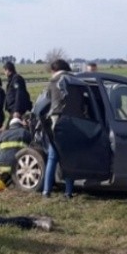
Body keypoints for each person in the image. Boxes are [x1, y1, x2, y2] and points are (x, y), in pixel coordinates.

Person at [42, 59, 75, 199]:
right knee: (69, 156)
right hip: (72, 120)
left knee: (52, 156)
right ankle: (68, 192)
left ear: (54, 70)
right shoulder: (73, 80)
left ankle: (46, 190)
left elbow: (46, 101)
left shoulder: (52, 83)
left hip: (56, 120)